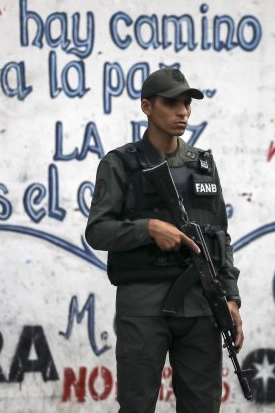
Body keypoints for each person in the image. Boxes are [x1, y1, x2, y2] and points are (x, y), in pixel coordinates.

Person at [85, 68, 243, 413]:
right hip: (144, 306)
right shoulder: (120, 164)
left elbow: (220, 235)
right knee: (137, 405)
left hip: (201, 306)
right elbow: (96, 231)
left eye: (186, 103)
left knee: (203, 406)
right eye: (171, 103)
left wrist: (230, 298)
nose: (183, 111)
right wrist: (148, 229)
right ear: (147, 106)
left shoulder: (202, 165)